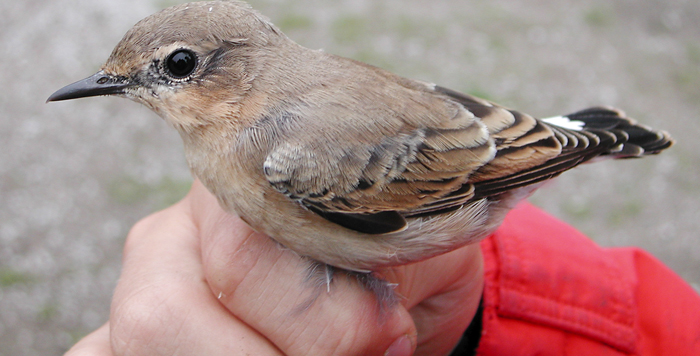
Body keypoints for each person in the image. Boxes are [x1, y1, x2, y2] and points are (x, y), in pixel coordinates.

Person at [65, 180, 700, 356]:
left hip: (474, 173)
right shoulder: (249, 149)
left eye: (178, 67)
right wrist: (471, 321)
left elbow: (454, 184)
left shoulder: (295, 157)